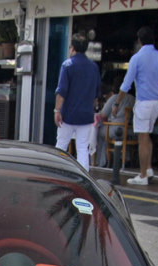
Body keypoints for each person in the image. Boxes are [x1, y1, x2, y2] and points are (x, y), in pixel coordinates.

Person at [119, 26, 158, 185]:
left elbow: (126, 84)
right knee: (147, 134)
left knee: (142, 137)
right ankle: (148, 168)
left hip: (143, 102)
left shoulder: (136, 58)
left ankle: (142, 175)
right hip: (157, 103)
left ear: (139, 41)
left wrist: (117, 103)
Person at [54, 32, 101, 168]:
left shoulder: (67, 65)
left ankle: (57, 173)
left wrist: (57, 110)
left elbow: (61, 91)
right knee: (82, 148)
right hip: (86, 115)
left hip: (67, 114)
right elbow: (96, 94)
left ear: (73, 48)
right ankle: (84, 179)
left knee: (61, 146)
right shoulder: (93, 67)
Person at [93, 77, 135, 166]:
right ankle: (125, 157)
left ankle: (101, 160)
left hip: (115, 128)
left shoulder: (114, 98)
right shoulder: (133, 98)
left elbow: (103, 114)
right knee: (122, 136)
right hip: (130, 129)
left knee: (97, 132)